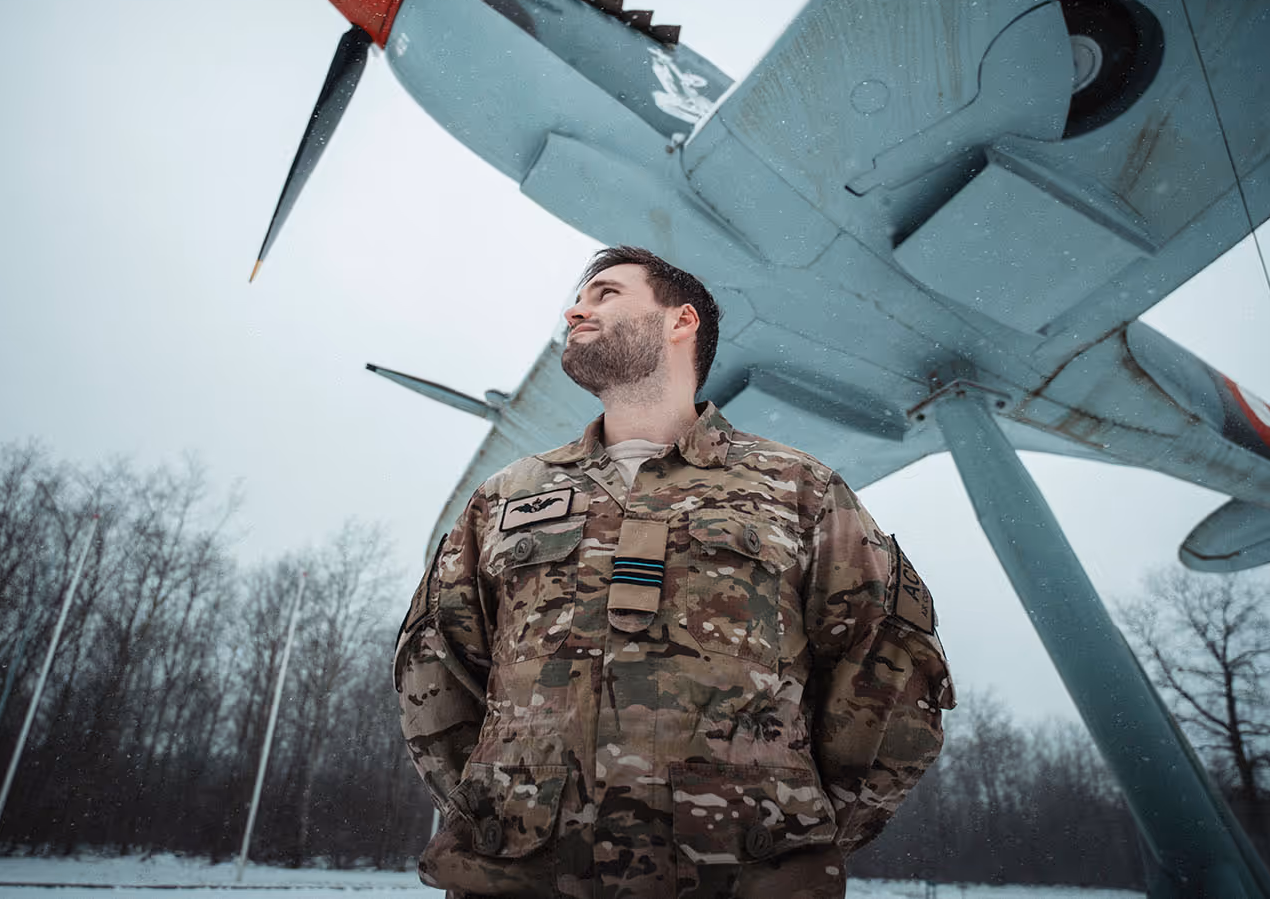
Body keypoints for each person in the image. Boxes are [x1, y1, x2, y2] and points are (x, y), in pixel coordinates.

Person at [393, 245, 954, 899]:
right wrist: (500, 810)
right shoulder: (505, 497)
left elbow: (890, 667)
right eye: (578, 298)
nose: (575, 311)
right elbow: (434, 666)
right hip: (518, 881)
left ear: (681, 321)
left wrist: (788, 830)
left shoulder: (800, 490)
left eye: (605, 293)